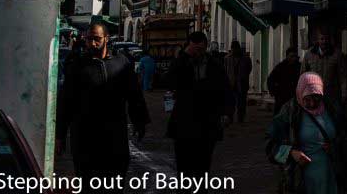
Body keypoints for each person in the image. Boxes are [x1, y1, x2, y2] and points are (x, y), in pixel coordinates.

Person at [55, 23, 150, 183]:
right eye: (89, 39)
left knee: (114, 183)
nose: (92, 43)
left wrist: (139, 121)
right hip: (85, 139)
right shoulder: (77, 66)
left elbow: (134, 96)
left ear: (106, 39)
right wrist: (60, 135)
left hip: (114, 138)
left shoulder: (121, 63)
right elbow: (66, 102)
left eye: (97, 39)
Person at [166, 31, 234, 177]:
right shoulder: (181, 63)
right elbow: (169, 81)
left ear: (206, 47)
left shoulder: (214, 66)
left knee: (202, 166)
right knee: (183, 167)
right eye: (194, 49)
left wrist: (227, 113)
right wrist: (184, 56)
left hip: (207, 124)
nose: (198, 53)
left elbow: (226, 91)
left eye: (201, 49)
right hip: (184, 123)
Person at [266, 72, 347, 194]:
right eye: (307, 99)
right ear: (300, 93)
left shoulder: (332, 109)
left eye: (317, 98)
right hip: (300, 181)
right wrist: (291, 153)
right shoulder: (289, 112)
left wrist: (335, 146)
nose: (312, 104)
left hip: (332, 178)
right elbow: (270, 148)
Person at [301, 31, 347, 107]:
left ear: (330, 40)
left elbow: (343, 76)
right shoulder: (309, 54)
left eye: (326, 39)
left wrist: (344, 94)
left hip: (332, 95)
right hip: (314, 95)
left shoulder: (337, 54)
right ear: (317, 40)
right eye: (322, 39)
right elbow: (303, 75)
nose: (324, 41)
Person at [223, 40, 253, 123]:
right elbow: (225, 70)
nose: (234, 50)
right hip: (231, 83)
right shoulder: (227, 58)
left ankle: (240, 118)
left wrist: (243, 76)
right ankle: (230, 118)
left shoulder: (246, 58)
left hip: (242, 83)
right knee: (230, 103)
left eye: (236, 48)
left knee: (241, 103)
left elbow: (249, 69)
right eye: (233, 49)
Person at [268, 47, 303, 115]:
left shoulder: (299, 67)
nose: (294, 58)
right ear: (287, 57)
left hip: (295, 97)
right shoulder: (280, 67)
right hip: (282, 98)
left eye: (295, 56)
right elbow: (270, 79)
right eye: (291, 56)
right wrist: (275, 92)